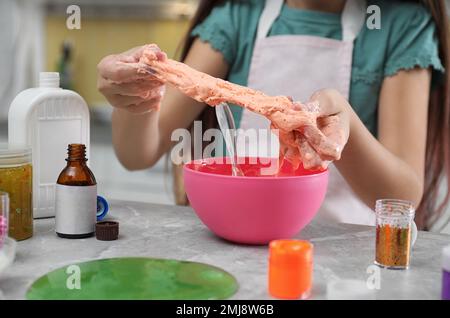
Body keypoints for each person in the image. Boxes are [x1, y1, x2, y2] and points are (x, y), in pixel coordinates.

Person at [97, 0, 450, 230]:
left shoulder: (401, 23)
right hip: (237, 248)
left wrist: (345, 128)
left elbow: (403, 197)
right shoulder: (239, 16)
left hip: (346, 255)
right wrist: (138, 94)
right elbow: (139, 152)